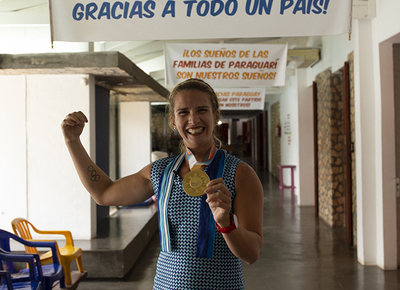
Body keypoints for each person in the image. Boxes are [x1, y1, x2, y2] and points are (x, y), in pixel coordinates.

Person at [62, 78, 263, 289]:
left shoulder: (239, 174)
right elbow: (103, 193)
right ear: (173, 122)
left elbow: (251, 254)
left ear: (216, 115)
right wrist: (73, 142)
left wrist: (226, 223)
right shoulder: (160, 172)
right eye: (183, 112)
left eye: (202, 110)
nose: (193, 119)